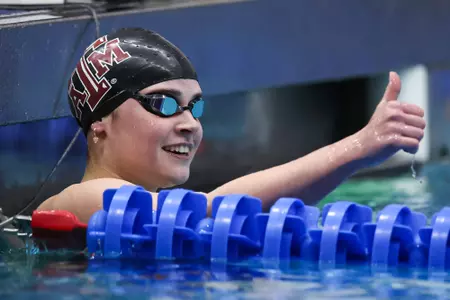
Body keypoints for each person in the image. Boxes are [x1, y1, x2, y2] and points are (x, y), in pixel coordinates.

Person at [37, 28, 426, 224]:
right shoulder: (81, 201)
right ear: (101, 121)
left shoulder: (154, 215)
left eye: (195, 107)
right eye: (164, 104)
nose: (189, 123)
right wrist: (357, 147)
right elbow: (212, 210)